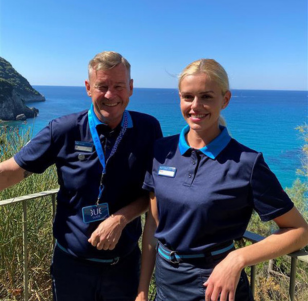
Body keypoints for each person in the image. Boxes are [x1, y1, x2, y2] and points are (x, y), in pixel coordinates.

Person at [135, 59, 308, 301]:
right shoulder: (161, 150)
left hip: (216, 285)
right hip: (165, 283)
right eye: (188, 97)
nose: (196, 106)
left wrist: (238, 259)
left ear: (225, 100)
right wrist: (143, 290)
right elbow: (154, 224)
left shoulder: (246, 163)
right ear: (180, 99)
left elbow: (299, 230)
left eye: (206, 96)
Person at [0, 51, 162, 301]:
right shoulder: (64, 130)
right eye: (102, 86)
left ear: (130, 88)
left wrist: (120, 218)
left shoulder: (148, 128)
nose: (111, 95)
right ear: (88, 88)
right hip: (71, 266)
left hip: (125, 267)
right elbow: (12, 171)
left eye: (119, 86)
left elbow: (153, 193)